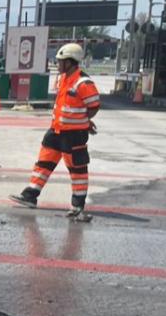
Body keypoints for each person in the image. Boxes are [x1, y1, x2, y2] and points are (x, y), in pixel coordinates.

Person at [9, 42, 100, 220]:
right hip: (56, 130)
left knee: (77, 170)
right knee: (43, 163)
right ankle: (30, 195)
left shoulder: (84, 82)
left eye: (60, 61)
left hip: (74, 135)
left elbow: (94, 106)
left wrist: (84, 121)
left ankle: (77, 206)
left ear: (71, 62)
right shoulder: (63, 79)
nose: (57, 65)